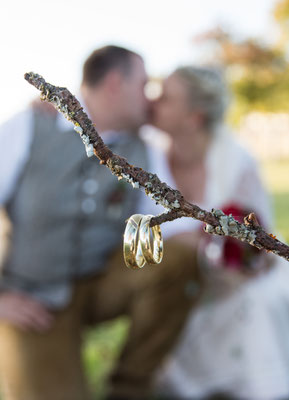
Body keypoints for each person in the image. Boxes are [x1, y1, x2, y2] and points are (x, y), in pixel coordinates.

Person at [0, 47, 202, 400]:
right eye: (143, 85)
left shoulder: (144, 147)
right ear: (114, 84)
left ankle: (129, 389)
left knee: (179, 261)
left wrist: (224, 244)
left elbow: (170, 228)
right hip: (34, 300)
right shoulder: (30, 126)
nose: (149, 98)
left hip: (102, 281)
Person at [138, 66, 289, 399]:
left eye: (165, 97)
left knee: (259, 299)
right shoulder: (146, 151)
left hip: (236, 274)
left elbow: (259, 241)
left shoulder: (236, 162)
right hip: (172, 277)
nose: (153, 101)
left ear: (193, 117)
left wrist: (231, 259)